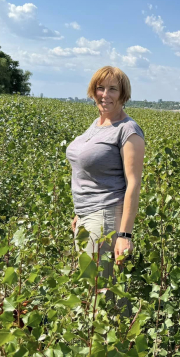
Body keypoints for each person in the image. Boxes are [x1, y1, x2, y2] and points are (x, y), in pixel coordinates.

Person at [67, 66, 145, 288]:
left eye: (113, 89)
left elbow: (133, 184)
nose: (105, 94)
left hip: (106, 218)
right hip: (86, 216)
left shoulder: (128, 130)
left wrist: (124, 235)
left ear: (123, 94)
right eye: (100, 88)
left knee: (103, 292)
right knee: (91, 287)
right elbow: (89, 173)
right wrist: (79, 213)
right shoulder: (97, 124)